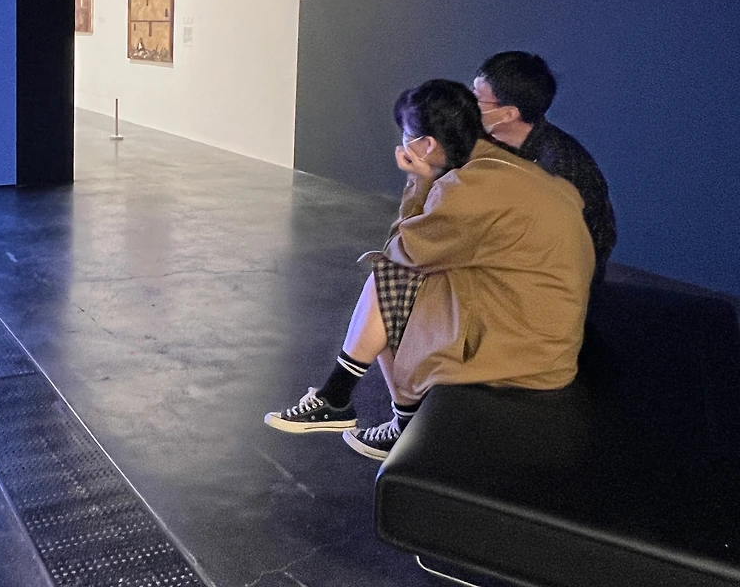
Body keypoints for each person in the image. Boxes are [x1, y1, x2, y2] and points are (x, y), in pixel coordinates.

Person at [264, 80, 594, 460]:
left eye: (407, 136)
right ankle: (345, 400)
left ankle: (362, 407)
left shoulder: (467, 187)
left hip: (525, 352)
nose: (403, 145)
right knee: (399, 283)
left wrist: (418, 180)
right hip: (546, 333)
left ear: (427, 145)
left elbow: (402, 251)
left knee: (390, 278)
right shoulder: (509, 166)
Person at [473, 51, 616, 293]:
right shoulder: (488, 141)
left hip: (556, 283)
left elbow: (572, 251)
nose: (467, 105)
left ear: (509, 114)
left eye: (477, 99)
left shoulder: (559, 167)